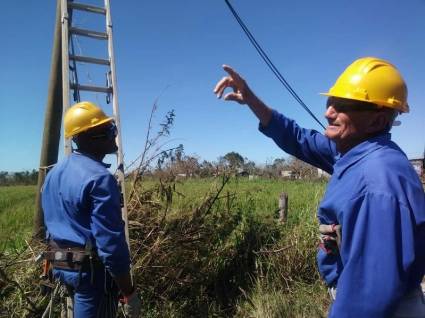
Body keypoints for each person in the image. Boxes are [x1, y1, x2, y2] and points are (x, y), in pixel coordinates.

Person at [214, 57, 425, 317]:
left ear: (378, 121)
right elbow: (297, 137)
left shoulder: (377, 182)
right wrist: (251, 99)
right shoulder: (352, 151)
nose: (328, 112)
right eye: (330, 101)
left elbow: (368, 294)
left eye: (344, 105)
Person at [41, 101, 141, 317]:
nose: (113, 134)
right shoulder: (100, 179)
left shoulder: (53, 174)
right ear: (86, 137)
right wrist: (129, 292)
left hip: (60, 265)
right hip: (91, 275)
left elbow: (51, 224)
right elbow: (111, 245)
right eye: (108, 130)